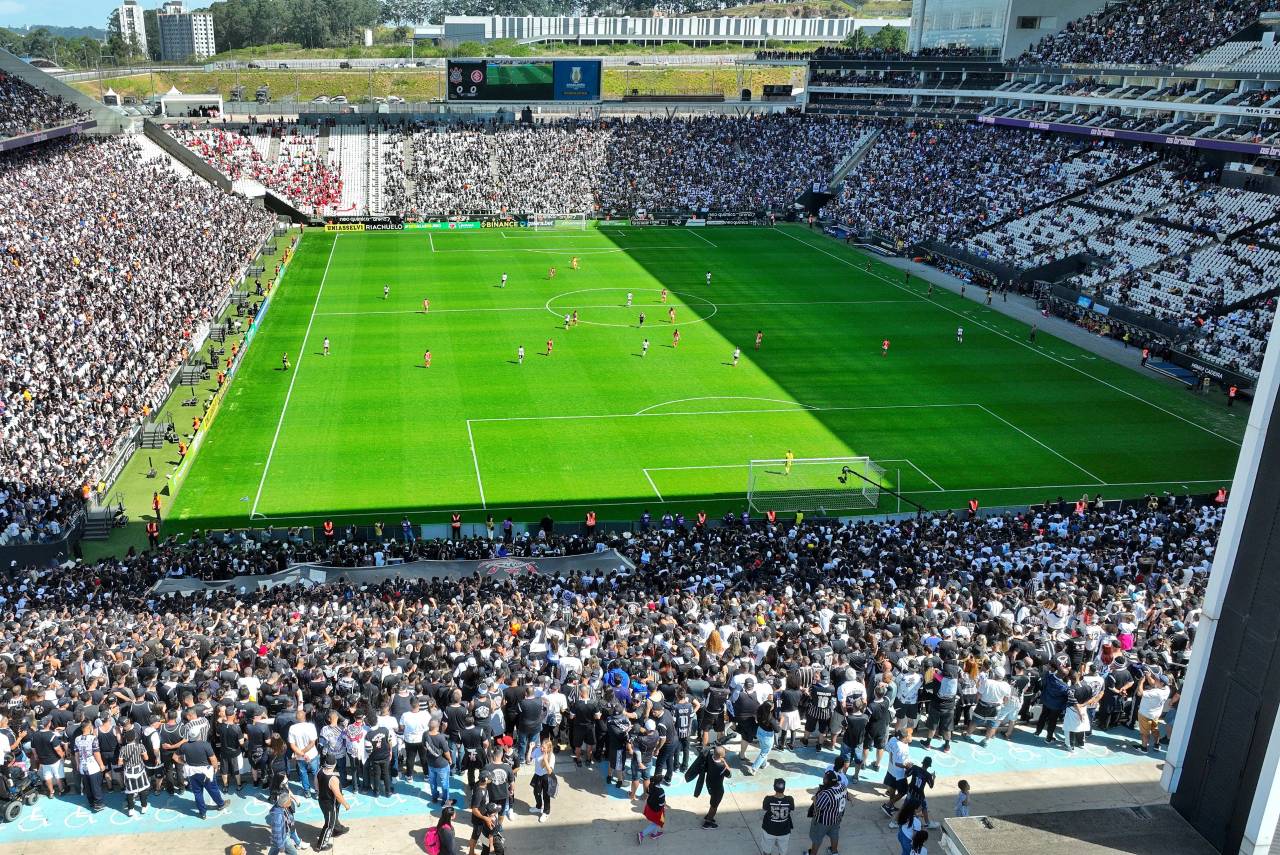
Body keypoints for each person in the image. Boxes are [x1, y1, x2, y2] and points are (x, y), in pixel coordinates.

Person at [179, 729, 226, 820]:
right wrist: (215, 768)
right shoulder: (205, 745)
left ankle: (202, 813)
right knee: (213, 789)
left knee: (197, 793)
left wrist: (184, 762)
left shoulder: (184, 746)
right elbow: (213, 759)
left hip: (192, 772)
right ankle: (220, 804)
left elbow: (175, 757)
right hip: (206, 772)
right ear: (199, 735)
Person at [316, 755, 350, 851]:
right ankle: (321, 845)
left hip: (322, 800)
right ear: (334, 764)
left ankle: (338, 829)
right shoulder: (333, 779)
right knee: (329, 824)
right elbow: (338, 795)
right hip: (330, 804)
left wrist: (320, 793)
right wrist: (346, 804)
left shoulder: (319, 771)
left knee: (333, 817)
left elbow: (316, 784)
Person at [808, 770, 847, 855]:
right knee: (834, 834)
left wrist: (815, 799)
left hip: (823, 822)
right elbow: (845, 796)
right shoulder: (842, 786)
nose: (823, 780)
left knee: (817, 839)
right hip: (837, 818)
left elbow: (818, 807)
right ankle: (834, 852)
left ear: (829, 781)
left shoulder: (827, 794)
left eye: (825, 779)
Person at [73, 721, 106, 812]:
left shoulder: (77, 739)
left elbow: (76, 753)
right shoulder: (93, 738)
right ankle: (98, 803)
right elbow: (96, 753)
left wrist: (78, 764)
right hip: (92, 765)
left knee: (87, 785)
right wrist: (101, 764)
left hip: (82, 766)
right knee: (96, 786)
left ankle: (91, 802)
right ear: (88, 727)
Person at [289, 707, 321, 797]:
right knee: (315, 773)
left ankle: (307, 791)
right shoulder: (311, 726)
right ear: (305, 717)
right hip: (312, 754)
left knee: (303, 773)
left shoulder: (292, 728)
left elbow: (292, 745)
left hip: (300, 756)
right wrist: (303, 753)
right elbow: (312, 743)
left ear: (296, 718)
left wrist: (301, 753)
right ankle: (317, 791)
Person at [699, 745, 731, 828]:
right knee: (714, 805)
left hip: (709, 784)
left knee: (712, 801)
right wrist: (724, 762)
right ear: (720, 756)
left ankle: (708, 815)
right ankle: (707, 823)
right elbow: (729, 774)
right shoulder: (721, 766)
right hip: (717, 789)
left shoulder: (710, 757)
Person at [761, 778, 795, 855]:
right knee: (783, 851)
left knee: (767, 850)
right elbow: (792, 808)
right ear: (784, 788)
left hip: (769, 830)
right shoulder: (790, 799)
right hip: (784, 831)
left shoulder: (768, 799)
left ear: (774, 787)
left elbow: (764, 808)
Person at [530, 736, 555, 822]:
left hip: (546, 777)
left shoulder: (552, 756)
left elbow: (550, 771)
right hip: (537, 775)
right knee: (536, 792)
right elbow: (529, 759)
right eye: (541, 746)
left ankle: (546, 812)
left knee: (546, 795)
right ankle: (538, 806)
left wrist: (545, 760)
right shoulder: (537, 750)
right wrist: (530, 748)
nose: (541, 748)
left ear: (548, 748)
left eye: (543, 748)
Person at [638, 776, 666, 843]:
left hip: (649, 806)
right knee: (657, 822)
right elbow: (661, 804)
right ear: (661, 782)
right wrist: (664, 804)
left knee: (655, 821)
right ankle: (642, 834)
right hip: (656, 810)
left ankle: (654, 834)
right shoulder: (661, 791)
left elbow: (648, 793)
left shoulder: (651, 785)